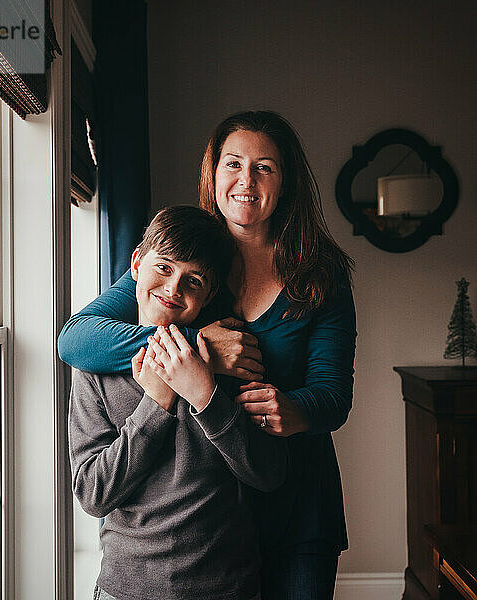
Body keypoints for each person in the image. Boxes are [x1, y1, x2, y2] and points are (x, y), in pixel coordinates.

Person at [59, 111, 356, 600]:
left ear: (286, 183)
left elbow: (333, 394)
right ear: (212, 173)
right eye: (233, 163)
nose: (246, 180)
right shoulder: (185, 259)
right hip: (208, 515)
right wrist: (196, 353)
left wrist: (295, 409)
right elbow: (76, 339)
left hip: (294, 498)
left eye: (265, 168)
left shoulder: (319, 274)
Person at [69, 205, 288, 600]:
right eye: (164, 268)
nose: (173, 289)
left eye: (194, 280)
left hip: (227, 587)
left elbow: (267, 473)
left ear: (210, 294)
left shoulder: (232, 355)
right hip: (128, 587)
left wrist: (205, 395)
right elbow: (92, 493)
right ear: (136, 263)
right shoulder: (94, 367)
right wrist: (156, 403)